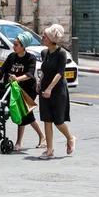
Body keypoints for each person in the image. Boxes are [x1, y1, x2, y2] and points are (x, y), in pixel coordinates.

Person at [0, 32, 45, 151]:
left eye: (16, 44)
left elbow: (29, 74)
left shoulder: (30, 58)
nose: (14, 46)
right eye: (14, 44)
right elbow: (2, 69)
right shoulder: (12, 56)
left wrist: (17, 78)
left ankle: (21, 142)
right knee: (23, 114)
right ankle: (39, 137)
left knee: (24, 113)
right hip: (13, 89)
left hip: (27, 90)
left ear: (23, 46)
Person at [37, 24, 75, 159]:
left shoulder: (61, 53)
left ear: (51, 39)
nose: (41, 37)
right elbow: (45, 71)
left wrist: (49, 89)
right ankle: (49, 150)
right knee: (47, 120)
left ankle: (70, 138)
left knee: (58, 121)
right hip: (45, 89)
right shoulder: (44, 52)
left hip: (58, 90)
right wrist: (40, 83)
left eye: (44, 36)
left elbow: (59, 73)